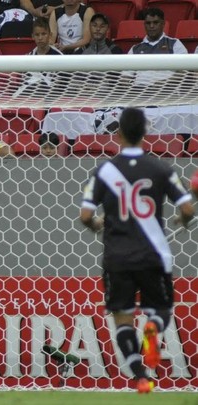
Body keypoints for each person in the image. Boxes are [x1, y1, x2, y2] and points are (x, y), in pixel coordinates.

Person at [79, 107, 195, 394]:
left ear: (117, 135)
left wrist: (98, 225)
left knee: (122, 318)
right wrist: (183, 220)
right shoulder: (161, 168)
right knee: (161, 309)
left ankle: (141, 377)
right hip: (154, 254)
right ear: (146, 133)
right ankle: (154, 327)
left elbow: (84, 216)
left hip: (117, 257)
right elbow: (187, 207)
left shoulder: (105, 170)